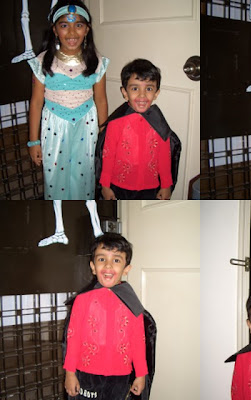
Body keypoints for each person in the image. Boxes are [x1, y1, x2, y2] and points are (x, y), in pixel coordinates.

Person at [27, 0, 109, 200]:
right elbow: (36, 103)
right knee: (56, 174)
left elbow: (101, 100)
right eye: (64, 25)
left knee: (84, 173)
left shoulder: (97, 62)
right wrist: (33, 141)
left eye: (78, 25)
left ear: (87, 29)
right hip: (54, 126)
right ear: (55, 30)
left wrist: (104, 136)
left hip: (86, 125)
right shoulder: (42, 62)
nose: (72, 32)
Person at [63, 232, 156, 400]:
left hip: (121, 376)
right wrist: (70, 373)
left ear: (126, 269)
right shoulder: (82, 300)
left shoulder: (131, 302)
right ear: (93, 266)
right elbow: (73, 338)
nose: (108, 265)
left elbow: (138, 339)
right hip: (87, 374)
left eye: (116, 260)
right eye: (101, 259)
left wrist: (141, 374)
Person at [99, 59, 177, 200]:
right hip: (119, 186)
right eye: (135, 88)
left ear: (156, 93)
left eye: (149, 89)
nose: (142, 95)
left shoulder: (159, 123)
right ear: (125, 92)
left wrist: (166, 185)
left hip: (150, 187)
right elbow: (108, 155)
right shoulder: (116, 122)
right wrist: (105, 185)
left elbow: (165, 156)